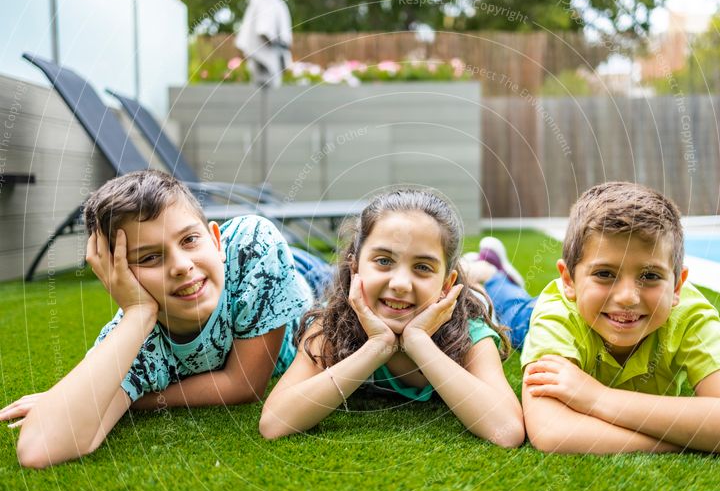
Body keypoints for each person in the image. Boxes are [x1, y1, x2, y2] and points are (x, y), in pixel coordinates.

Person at [0, 169, 322, 468]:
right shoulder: (135, 339)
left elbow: (245, 384)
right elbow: (37, 448)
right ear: (117, 274)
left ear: (215, 240)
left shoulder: (252, 246)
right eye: (150, 257)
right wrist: (139, 314)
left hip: (315, 286)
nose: (181, 265)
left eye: (189, 240)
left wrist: (126, 400)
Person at [498, 182, 720, 465]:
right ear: (569, 280)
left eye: (650, 276)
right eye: (604, 273)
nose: (627, 297)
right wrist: (699, 440)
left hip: (598, 311)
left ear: (677, 287)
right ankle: (494, 275)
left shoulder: (689, 315)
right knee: (512, 310)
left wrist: (598, 397)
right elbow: (552, 432)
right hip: (549, 317)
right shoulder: (556, 314)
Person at [259, 190, 525, 448]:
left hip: (482, 296)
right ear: (355, 268)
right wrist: (378, 345)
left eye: (422, 267)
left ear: (446, 284)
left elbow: (508, 431)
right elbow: (274, 423)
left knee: (510, 308)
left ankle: (488, 270)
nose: (400, 284)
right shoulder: (335, 322)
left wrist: (418, 341)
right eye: (384, 260)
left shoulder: (469, 330)